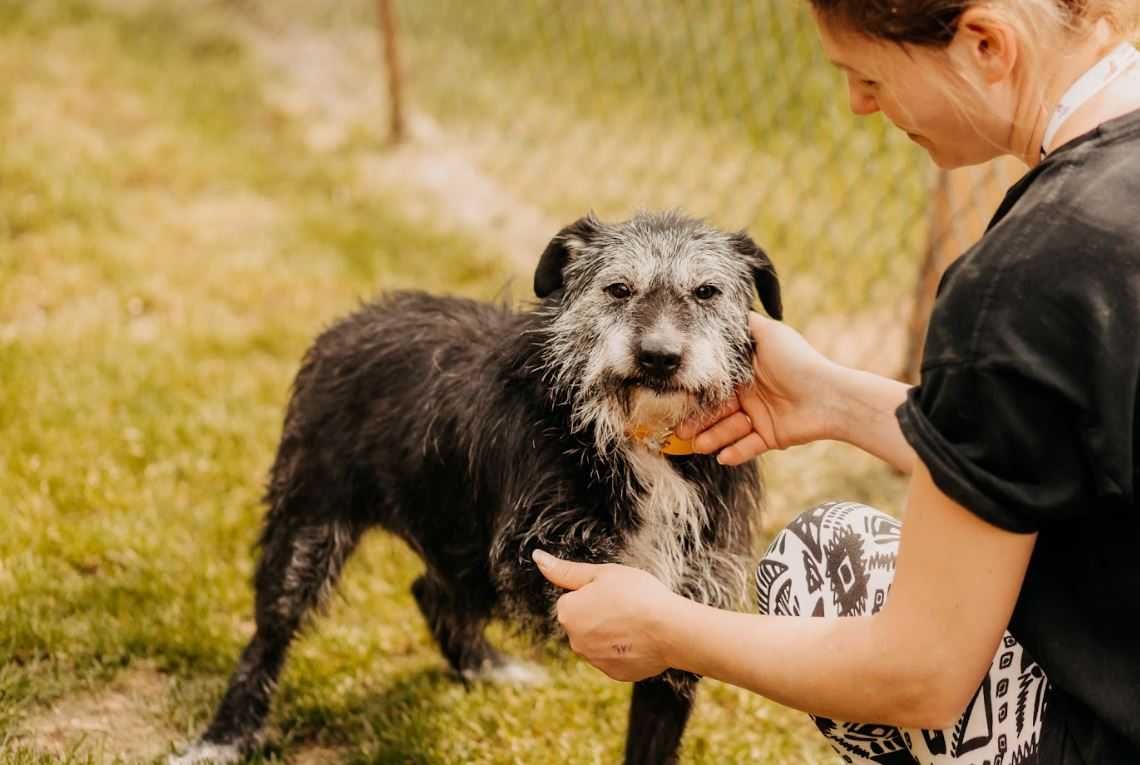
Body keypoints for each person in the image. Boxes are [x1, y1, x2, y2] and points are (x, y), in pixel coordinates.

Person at [532, 1, 1140, 763]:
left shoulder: (1020, 280)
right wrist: (833, 399)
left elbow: (919, 676)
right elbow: (1062, 433)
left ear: (985, 43)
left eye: (867, 75)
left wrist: (669, 627)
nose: (857, 105)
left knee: (819, 562)